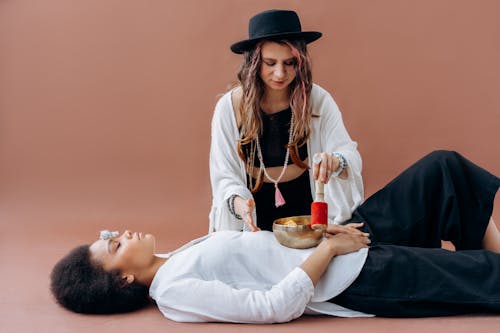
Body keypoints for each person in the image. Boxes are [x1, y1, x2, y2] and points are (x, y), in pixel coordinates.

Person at [51, 151, 500, 322]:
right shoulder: (175, 292)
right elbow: (270, 308)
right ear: (123, 280)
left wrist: (323, 232)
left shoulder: (175, 258)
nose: (123, 233)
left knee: (443, 171)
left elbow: (263, 254)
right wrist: (328, 249)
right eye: (114, 245)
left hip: (337, 240)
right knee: (485, 277)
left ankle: (475, 260)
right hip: (356, 278)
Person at [209, 9, 363, 232]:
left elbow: (348, 153)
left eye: (289, 63)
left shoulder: (317, 101)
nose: (280, 73)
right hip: (253, 214)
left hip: (307, 212)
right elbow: (224, 176)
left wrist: (336, 161)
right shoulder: (230, 108)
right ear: (254, 63)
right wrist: (239, 205)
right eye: (270, 63)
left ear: (300, 62)